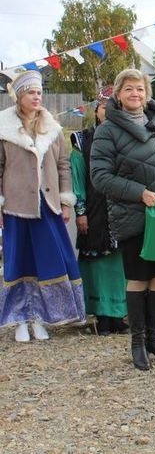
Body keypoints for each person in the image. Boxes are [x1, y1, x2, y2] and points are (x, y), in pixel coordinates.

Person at [90, 69, 155, 371]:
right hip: (131, 213)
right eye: (129, 89)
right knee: (138, 277)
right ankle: (137, 342)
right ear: (118, 94)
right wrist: (139, 193)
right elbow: (100, 177)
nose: (135, 94)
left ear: (147, 94)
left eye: (140, 89)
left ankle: (154, 339)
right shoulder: (108, 130)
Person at [0, 70, 87, 341]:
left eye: (39, 92)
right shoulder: (4, 129)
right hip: (16, 207)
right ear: (20, 96)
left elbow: (63, 166)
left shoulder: (53, 129)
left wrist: (66, 201)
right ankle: (20, 320)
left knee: (48, 261)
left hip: (47, 205)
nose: (37, 97)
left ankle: (40, 317)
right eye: (31, 92)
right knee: (19, 261)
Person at [71, 86, 128, 336]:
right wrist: (81, 212)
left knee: (121, 264)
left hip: (122, 209)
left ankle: (119, 316)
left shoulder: (127, 138)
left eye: (114, 107)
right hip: (94, 211)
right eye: (105, 106)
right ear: (96, 111)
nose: (109, 111)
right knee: (98, 263)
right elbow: (77, 179)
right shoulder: (82, 141)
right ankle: (101, 317)